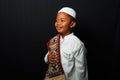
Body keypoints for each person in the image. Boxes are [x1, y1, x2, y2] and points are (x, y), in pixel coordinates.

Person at [44, 7, 88, 80]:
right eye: (56, 20)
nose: (58, 23)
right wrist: (48, 57)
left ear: (72, 24)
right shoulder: (54, 40)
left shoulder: (76, 43)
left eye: (62, 20)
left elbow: (81, 69)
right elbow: (46, 57)